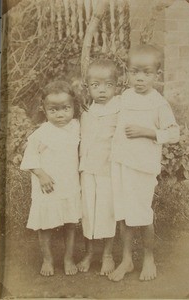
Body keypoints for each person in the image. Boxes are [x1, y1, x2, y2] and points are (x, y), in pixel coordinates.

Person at [109, 44, 180, 282]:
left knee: (142, 213)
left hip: (142, 168)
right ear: (127, 72)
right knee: (123, 214)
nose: (139, 78)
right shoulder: (124, 97)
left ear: (156, 75)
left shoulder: (158, 103)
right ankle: (127, 259)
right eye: (134, 72)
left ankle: (149, 257)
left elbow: (173, 133)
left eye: (146, 73)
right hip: (120, 164)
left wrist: (147, 132)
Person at [20, 81, 81, 276]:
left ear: (73, 107)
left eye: (66, 108)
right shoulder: (41, 134)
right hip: (48, 186)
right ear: (44, 110)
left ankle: (68, 258)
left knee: (70, 223)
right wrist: (41, 174)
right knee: (45, 224)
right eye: (53, 110)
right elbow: (30, 159)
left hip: (69, 184)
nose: (60, 114)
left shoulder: (76, 127)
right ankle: (47, 259)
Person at [77, 59, 120, 275]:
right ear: (88, 87)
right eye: (96, 85)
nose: (102, 90)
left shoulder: (119, 110)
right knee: (88, 211)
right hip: (88, 170)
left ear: (117, 85)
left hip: (108, 171)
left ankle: (107, 254)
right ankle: (90, 252)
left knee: (106, 211)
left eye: (108, 85)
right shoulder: (86, 112)